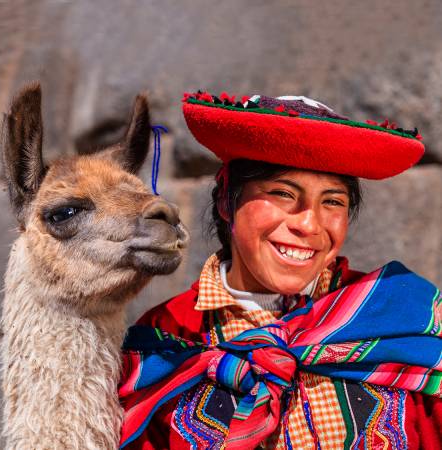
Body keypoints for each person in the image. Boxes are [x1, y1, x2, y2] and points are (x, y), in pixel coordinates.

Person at [118, 92, 441, 449]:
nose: (308, 223)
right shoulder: (165, 339)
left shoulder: (403, 320)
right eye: (283, 193)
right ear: (227, 200)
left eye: (332, 201)